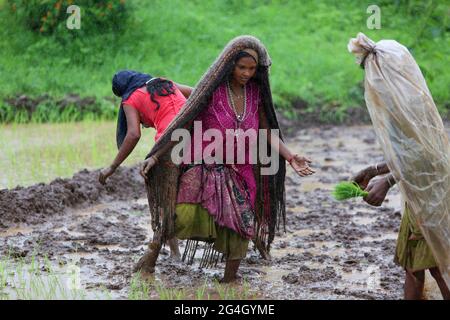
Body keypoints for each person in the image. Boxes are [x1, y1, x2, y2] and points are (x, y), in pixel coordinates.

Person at [134, 36, 315, 283]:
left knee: (242, 225)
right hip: (205, 169)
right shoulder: (211, 92)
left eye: (252, 69)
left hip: (241, 171)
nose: (247, 74)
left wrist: (289, 155)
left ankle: (230, 281)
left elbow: (265, 131)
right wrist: (155, 156)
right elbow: (182, 123)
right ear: (230, 66)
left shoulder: (255, 94)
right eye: (242, 68)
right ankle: (153, 251)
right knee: (181, 217)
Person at [99, 70, 193, 259]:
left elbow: (133, 134)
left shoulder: (130, 99)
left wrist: (112, 167)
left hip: (170, 143)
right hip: (199, 133)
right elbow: (198, 92)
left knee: (163, 196)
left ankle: (174, 253)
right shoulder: (165, 82)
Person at [353, 163, 450, 300]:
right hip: (420, 195)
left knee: (439, 267)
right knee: (413, 265)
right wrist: (374, 171)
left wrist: (388, 181)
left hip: (434, 194)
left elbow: (427, 157)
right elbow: (410, 152)